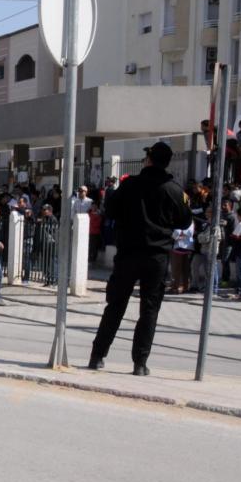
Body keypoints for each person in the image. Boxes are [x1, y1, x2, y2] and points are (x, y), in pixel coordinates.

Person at [88, 142, 191, 375]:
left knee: (115, 306)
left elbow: (111, 211)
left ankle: (97, 356)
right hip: (157, 256)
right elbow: (185, 221)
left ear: (149, 160)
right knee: (149, 310)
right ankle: (140, 363)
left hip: (128, 254)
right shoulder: (175, 190)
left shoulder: (129, 184)